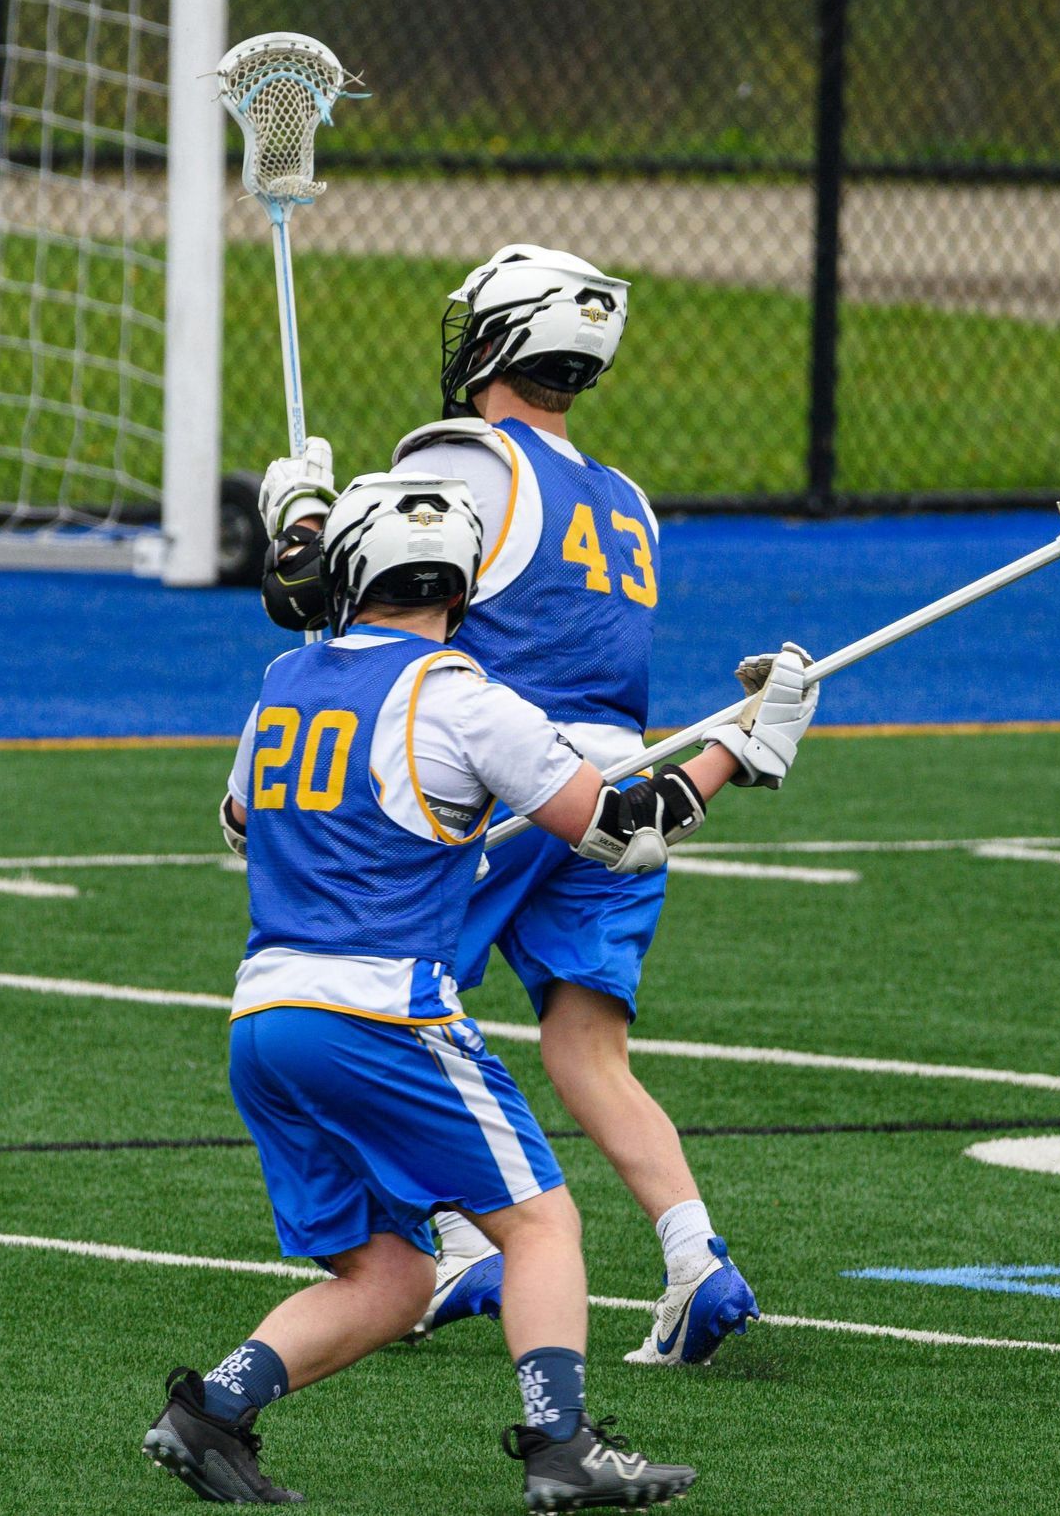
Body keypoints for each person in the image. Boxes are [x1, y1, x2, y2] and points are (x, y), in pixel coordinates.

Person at [144, 471, 818, 1507]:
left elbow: (240, 822)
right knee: (541, 1223)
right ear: (463, 585)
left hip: (264, 1018)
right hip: (382, 1012)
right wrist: (740, 742)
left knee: (392, 1276)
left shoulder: (283, 679)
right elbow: (625, 831)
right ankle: (562, 1444)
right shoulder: (460, 695)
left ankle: (211, 1411)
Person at [251, 246, 777, 1367]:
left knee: (387, 1001)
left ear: (497, 340)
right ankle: (695, 1256)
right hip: (619, 773)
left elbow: (325, 592)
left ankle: (452, 1243)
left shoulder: (462, 456)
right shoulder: (627, 501)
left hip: (498, 779)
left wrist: (298, 507)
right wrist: (733, 745)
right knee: (587, 1047)